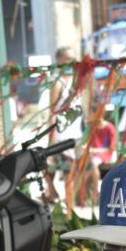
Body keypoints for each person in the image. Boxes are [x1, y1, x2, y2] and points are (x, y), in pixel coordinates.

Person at [42, 46, 83, 207]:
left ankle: (54, 193)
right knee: (67, 172)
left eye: (72, 58)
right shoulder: (57, 81)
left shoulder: (76, 79)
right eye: (67, 59)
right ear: (58, 61)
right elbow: (53, 112)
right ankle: (68, 207)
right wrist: (51, 138)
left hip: (76, 134)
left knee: (66, 170)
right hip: (62, 135)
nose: (71, 62)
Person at [83, 109, 116, 205]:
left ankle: (93, 194)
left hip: (104, 154)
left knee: (93, 164)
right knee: (84, 165)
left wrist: (95, 150)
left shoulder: (109, 127)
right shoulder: (93, 128)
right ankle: (86, 194)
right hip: (93, 154)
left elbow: (111, 148)